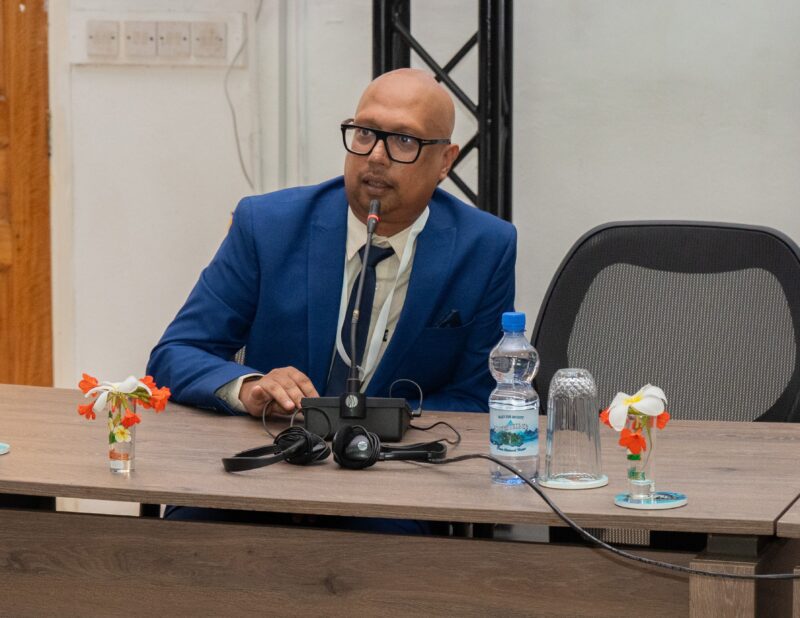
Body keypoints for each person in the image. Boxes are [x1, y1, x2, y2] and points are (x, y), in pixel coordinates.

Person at [148, 67, 516, 423]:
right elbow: (176, 353)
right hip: (280, 447)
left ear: (445, 161)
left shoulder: (484, 248)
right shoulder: (268, 226)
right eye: (365, 133)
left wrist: (382, 422)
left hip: (402, 456)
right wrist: (249, 388)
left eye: (404, 140)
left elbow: (480, 396)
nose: (376, 156)